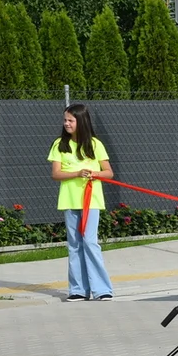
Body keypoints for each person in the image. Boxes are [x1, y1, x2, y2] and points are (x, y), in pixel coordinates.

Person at [48, 104, 114, 301]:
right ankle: (78, 289)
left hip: (91, 201)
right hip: (69, 200)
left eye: (70, 120)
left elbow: (109, 172)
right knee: (74, 244)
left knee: (89, 242)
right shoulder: (59, 144)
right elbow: (56, 174)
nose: (66, 123)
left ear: (81, 122)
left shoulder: (95, 144)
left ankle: (101, 289)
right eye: (65, 120)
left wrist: (94, 173)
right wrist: (76, 173)